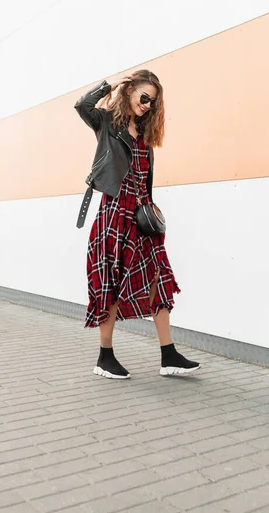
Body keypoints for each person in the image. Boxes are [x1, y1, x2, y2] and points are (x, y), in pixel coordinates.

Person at [74, 69, 200, 379]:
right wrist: (110, 85)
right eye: (144, 97)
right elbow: (82, 106)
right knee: (110, 283)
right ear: (129, 92)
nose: (147, 105)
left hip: (141, 215)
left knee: (158, 277)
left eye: (152, 102)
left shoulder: (144, 134)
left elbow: (144, 179)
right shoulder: (107, 123)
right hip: (115, 213)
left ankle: (168, 355)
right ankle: (105, 357)